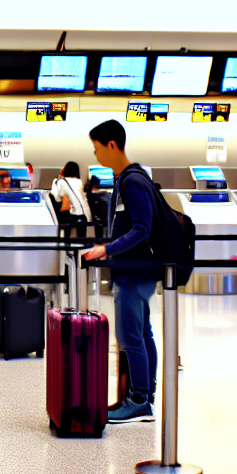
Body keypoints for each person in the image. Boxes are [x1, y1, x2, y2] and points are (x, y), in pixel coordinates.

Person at [80, 120, 158, 424]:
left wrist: (107, 249)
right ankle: (145, 395)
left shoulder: (132, 181)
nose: (96, 155)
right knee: (141, 333)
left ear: (112, 145)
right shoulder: (130, 178)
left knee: (130, 337)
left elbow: (142, 228)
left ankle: (139, 400)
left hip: (133, 270)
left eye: (97, 148)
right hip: (137, 268)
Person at [51, 161, 88, 242]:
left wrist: (58, 179)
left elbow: (57, 198)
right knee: (82, 241)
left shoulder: (61, 182)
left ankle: (66, 248)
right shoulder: (78, 181)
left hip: (73, 215)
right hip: (84, 215)